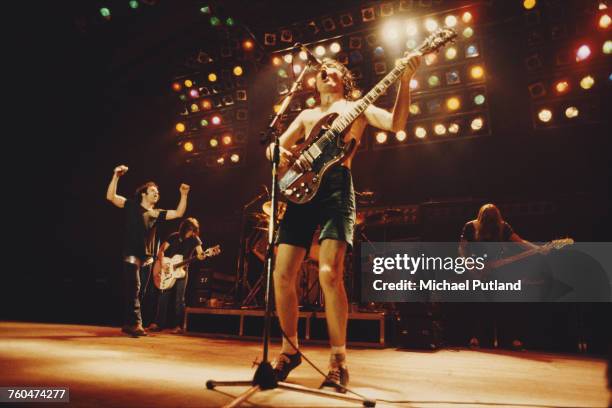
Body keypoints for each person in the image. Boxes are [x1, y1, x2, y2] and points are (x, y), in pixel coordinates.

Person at [265, 55, 421, 390]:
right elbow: (275, 149)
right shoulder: (307, 115)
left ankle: (338, 360)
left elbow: (396, 124)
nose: (325, 72)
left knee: (328, 273)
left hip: (336, 187)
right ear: (315, 82)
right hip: (299, 190)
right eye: (322, 72)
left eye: (333, 70)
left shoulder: (358, 108)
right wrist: (281, 153)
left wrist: (405, 80)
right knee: (281, 274)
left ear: (343, 81)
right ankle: (288, 350)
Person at [106, 164, 190, 337]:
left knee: (139, 292)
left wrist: (183, 195)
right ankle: (136, 323)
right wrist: (116, 176)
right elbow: (111, 197)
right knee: (135, 288)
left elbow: (179, 213)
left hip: (148, 258)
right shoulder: (131, 205)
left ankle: (129, 323)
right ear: (144, 194)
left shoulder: (157, 213)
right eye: (153, 190)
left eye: (157, 191)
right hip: (131, 254)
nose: (156, 193)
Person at [458, 203, 548, 349]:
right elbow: (462, 249)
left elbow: (519, 241)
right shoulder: (470, 226)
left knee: (504, 305)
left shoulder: (502, 226)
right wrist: (470, 265)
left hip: (497, 269)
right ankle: (477, 337)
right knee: (480, 305)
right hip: (477, 269)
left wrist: (537, 248)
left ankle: (509, 339)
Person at [149, 218, 206, 334]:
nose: (192, 233)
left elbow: (201, 254)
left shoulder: (195, 239)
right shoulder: (173, 236)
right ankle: (158, 323)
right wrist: (162, 262)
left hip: (182, 271)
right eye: (191, 230)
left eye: (194, 230)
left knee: (179, 299)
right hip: (168, 268)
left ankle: (178, 326)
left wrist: (203, 256)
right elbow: (161, 251)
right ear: (184, 229)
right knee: (163, 296)